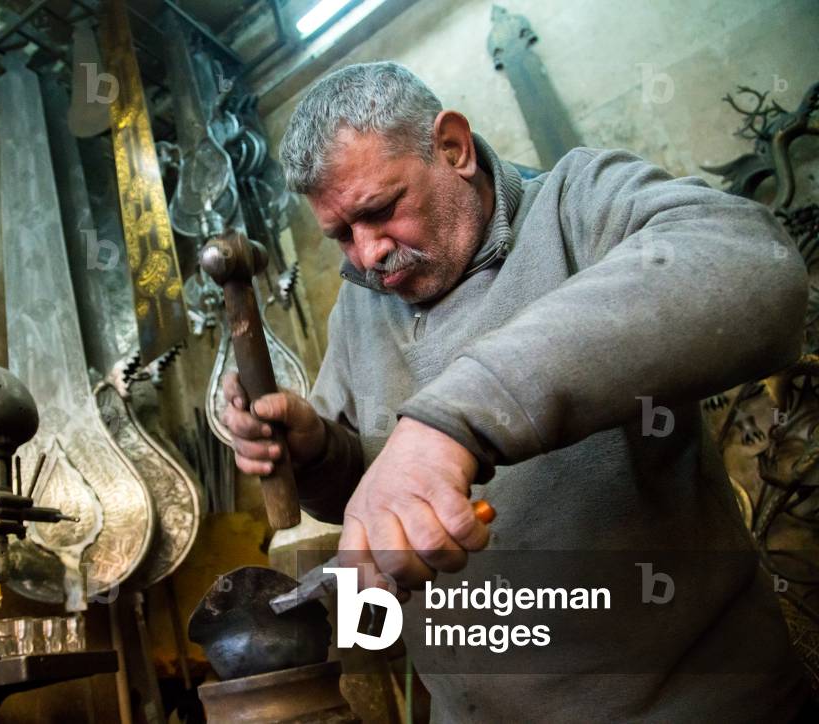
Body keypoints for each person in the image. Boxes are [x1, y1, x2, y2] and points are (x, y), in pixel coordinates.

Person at [222, 62, 812, 721]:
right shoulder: (360, 307)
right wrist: (319, 454)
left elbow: (753, 266)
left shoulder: (577, 205)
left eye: (380, 211)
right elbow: (371, 495)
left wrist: (454, 420)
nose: (365, 255)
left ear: (453, 147)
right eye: (339, 236)